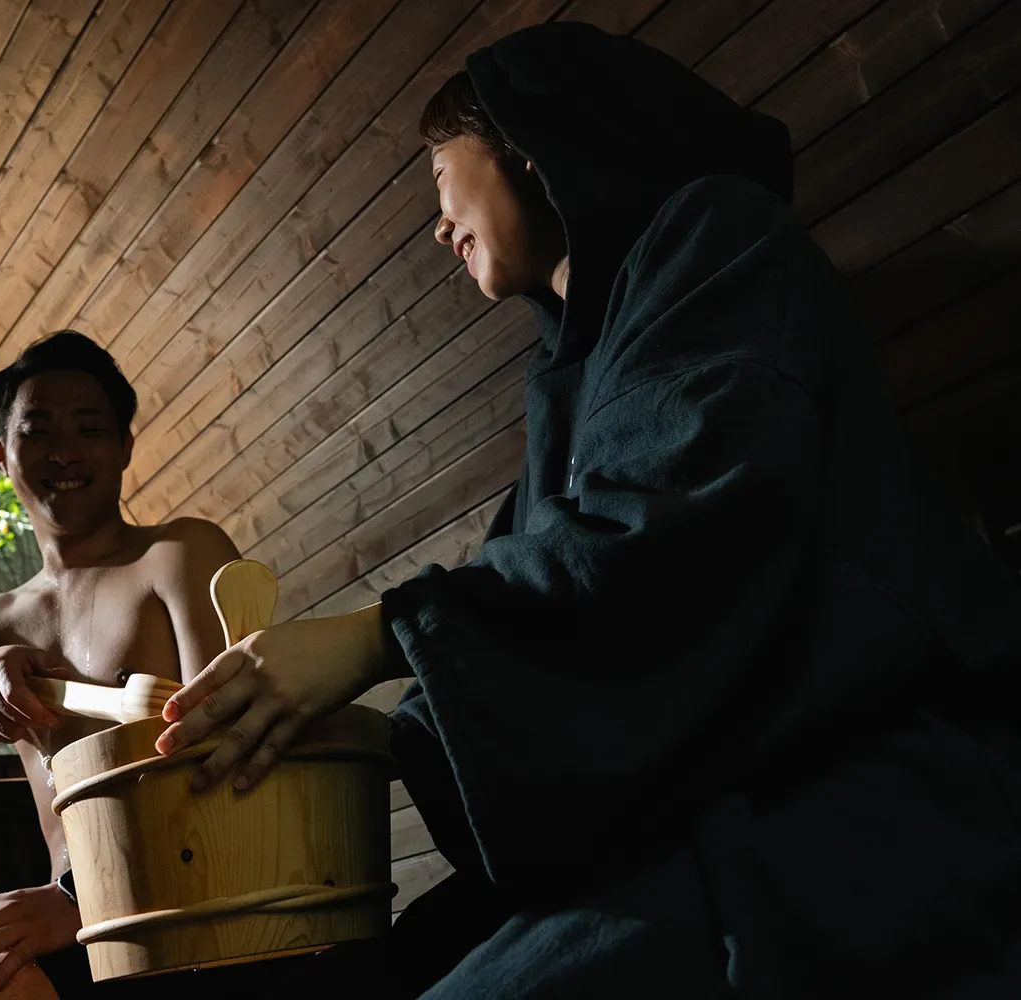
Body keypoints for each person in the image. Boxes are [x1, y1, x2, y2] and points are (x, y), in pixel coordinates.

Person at [155, 22, 1021, 998]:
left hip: (846, 780)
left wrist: (371, 639)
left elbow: (674, 543)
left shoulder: (718, 237)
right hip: (691, 807)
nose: (439, 222)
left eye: (443, 176)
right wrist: (370, 736)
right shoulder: (563, 381)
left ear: (528, 145)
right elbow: (524, 600)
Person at [0, 331, 240, 1000]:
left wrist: (81, 904)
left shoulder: (179, 555)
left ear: (124, 448)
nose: (64, 452)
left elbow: (237, 744)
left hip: (179, 915)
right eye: (38, 432)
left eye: (90, 428)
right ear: (3, 454)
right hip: (70, 923)